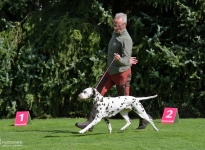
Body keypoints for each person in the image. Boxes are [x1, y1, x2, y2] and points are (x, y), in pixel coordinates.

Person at [75, 12, 152, 131]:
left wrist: (120, 59)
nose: (115, 27)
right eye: (114, 25)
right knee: (97, 93)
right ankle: (89, 123)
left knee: (126, 101)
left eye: (118, 26)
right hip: (109, 72)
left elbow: (127, 59)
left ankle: (144, 119)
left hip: (122, 74)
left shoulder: (126, 39)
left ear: (125, 25)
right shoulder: (114, 33)